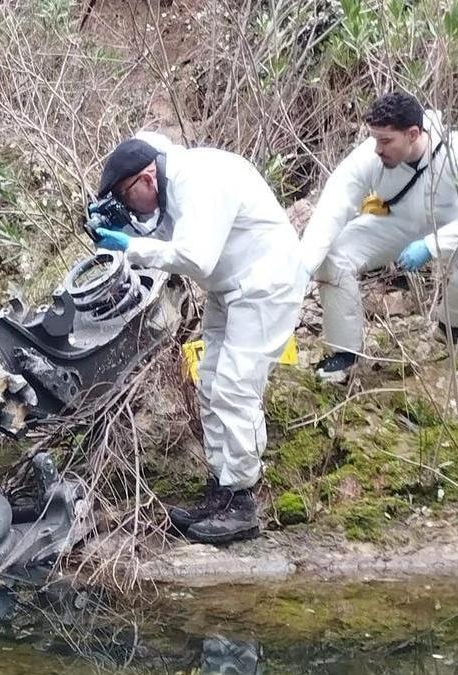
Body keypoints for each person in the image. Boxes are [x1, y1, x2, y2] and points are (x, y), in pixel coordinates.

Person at [92, 131, 304, 544]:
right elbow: (176, 243)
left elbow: (195, 256)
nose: (124, 203)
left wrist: (130, 247)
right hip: (232, 287)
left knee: (235, 388)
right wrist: (123, 233)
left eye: (124, 194)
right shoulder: (174, 187)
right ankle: (222, 488)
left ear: (147, 179)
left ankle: (242, 502)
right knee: (209, 383)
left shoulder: (199, 180)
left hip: (266, 283)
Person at [300, 92, 458, 383]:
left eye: (386, 141)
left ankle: (454, 328)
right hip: (396, 223)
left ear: (412, 134)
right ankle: (344, 354)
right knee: (335, 256)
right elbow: (333, 207)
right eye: (375, 139)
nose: (378, 149)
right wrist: (305, 263)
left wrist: (432, 246)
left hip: (451, 228)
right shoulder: (368, 158)